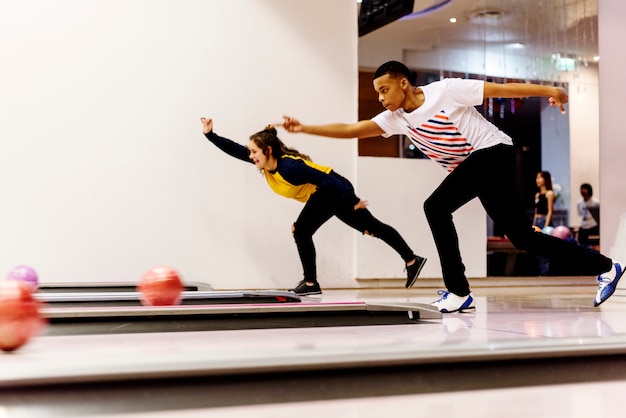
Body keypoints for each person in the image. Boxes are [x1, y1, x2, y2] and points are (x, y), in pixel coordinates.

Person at [280, 60, 624, 312]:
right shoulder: (396, 119)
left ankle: (458, 290)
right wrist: (305, 128)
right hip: (481, 165)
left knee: (435, 206)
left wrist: (552, 90)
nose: (381, 99)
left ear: (403, 83)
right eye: (378, 93)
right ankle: (607, 267)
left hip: (494, 151)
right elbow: (353, 129)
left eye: (385, 90)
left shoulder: (445, 90)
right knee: (521, 237)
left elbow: (500, 90)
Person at [199, 117, 426, 296]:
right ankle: (412, 260)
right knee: (370, 227)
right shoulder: (266, 164)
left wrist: (352, 199)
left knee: (302, 230)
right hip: (329, 195)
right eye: (250, 152)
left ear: (268, 151)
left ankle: (311, 282)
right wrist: (210, 135)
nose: (250, 155)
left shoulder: (290, 168)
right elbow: (235, 150)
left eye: (254, 152)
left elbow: (330, 179)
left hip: (333, 191)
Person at [532, 171, 556, 275]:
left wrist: (546, 225)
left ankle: (545, 272)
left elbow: (550, 210)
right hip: (537, 221)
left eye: (539, 178)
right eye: (537, 178)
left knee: (546, 248)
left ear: (545, 180)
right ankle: (540, 271)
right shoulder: (537, 195)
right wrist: (533, 224)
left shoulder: (549, 194)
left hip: (545, 220)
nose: (537, 180)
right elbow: (536, 212)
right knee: (537, 248)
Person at [577, 183, 600, 249]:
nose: (582, 191)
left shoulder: (596, 202)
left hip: (593, 225)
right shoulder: (579, 202)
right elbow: (580, 213)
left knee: (593, 245)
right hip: (583, 225)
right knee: (581, 245)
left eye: (585, 189)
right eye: (581, 189)